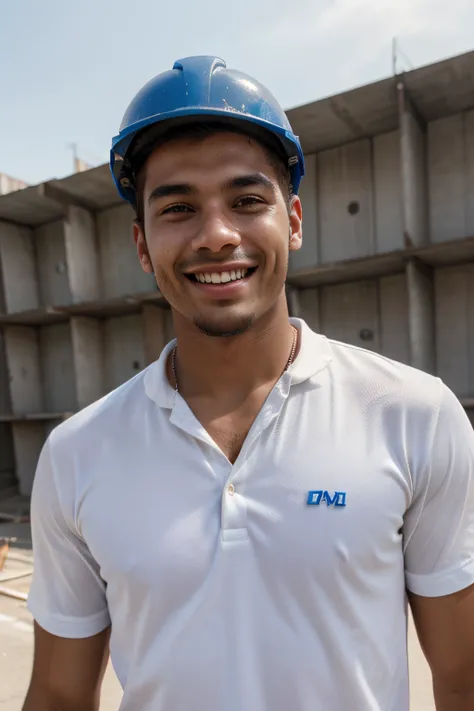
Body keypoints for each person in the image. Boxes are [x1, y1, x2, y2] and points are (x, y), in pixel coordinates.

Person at [23, 56, 474, 711]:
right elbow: (61, 694)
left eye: (246, 200)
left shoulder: (412, 414)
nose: (217, 235)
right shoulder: (77, 453)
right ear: (143, 246)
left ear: (291, 221)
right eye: (178, 208)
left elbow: (463, 676)